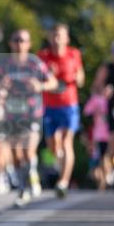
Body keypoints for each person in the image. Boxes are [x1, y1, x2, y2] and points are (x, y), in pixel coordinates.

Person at [0, 30, 57, 207]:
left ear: (29, 44)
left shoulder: (35, 63)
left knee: (28, 151)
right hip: (12, 114)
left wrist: (40, 86)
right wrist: (0, 86)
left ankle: (26, 186)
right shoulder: (4, 64)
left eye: (23, 40)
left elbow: (53, 83)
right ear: (11, 43)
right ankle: (25, 182)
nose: (20, 44)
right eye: (16, 40)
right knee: (16, 155)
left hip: (32, 113)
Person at [37, 24, 85, 197]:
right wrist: (46, 76)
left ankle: (63, 182)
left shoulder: (74, 54)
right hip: (49, 106)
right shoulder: (43, 56)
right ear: (50, 38)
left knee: (66, 142)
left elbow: (81, 78)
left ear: (67, 38)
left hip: (69, 105)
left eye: (60, 35)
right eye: (54, 35)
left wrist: (77, 77)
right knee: (53, 145)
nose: (57, 39)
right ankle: (60, 162)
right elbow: (37, 78)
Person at [91, 39, 114, 174]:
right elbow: (95, 88)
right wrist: (103, 92)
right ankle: (110, 171)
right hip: (111, 111)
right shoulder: (107, 69)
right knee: (112, 145)